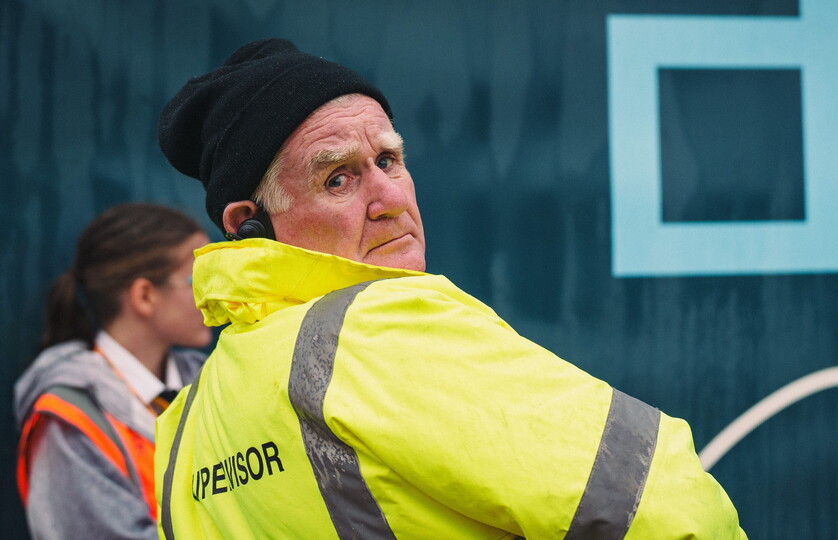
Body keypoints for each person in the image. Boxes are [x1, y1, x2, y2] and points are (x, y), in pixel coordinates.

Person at [154, 38, 747, 539]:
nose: (389, 200)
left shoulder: (186, 426)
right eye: (339, 179)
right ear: (247, 223)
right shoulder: (379, 327)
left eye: (388, 160)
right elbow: (667, 504)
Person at [14, 203, 211, 539]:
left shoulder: (212, 380)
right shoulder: (70, 419)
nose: (213, 291)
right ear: (145, 296)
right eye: (198, 278)